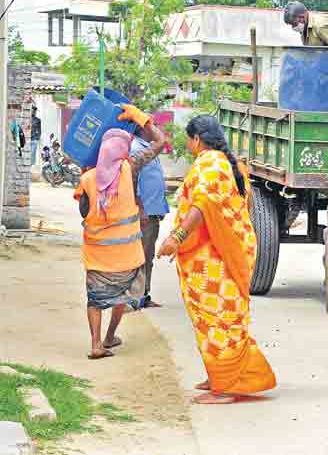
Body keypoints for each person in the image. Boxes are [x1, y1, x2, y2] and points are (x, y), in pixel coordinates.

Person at [157, 115, 276, 405]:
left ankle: (227, 387)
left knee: (220, 320)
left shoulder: (211, 163)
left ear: (197, 139)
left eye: (188, 139)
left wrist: (177, 238)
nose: (188, 145)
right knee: (211, 319)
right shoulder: (225, 163)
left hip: (217, 258)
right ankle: (218, 375)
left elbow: (204, 204)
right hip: (219, 253)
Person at [74, 104, 165, 359]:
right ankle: (110, 336)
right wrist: (141, 118)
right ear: (123, 151)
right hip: (126, 254)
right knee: (121, 295)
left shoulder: (88, 179)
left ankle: (95, 344)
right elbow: (159, 142)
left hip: (97, 256)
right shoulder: (130, 168)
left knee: (95, 299)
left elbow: (84, 212)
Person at [130, 129, 170, 308]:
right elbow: (133, 180)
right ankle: (134, 298)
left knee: (148, 256)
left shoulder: (147, 147)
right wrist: (140, 209)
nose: (156, 129)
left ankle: (144, 296)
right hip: (144, 213)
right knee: (140, 256)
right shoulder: (136, 148)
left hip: (152, 211)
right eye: (151, 125)